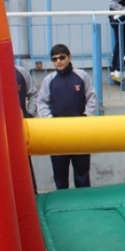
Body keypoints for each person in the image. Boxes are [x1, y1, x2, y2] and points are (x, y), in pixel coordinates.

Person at [37, 44, 97, 190]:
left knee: (82, 174)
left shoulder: (82, 76)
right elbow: (42, 102)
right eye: (54, 59)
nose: (58, 61)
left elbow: (91, 97)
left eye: (62, 57)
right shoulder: (49, 80)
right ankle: (62, 205)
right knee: (60, 175)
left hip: (80, 133)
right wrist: (49, 119)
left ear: (69, 57)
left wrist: (86, 116)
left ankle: (84, 203)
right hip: (57, 134)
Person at [15, 64, 39, 194]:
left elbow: (33, 94)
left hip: (19, 128)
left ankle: (31, 194)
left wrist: (29, 114)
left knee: (24, 163)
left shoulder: (20, 72)